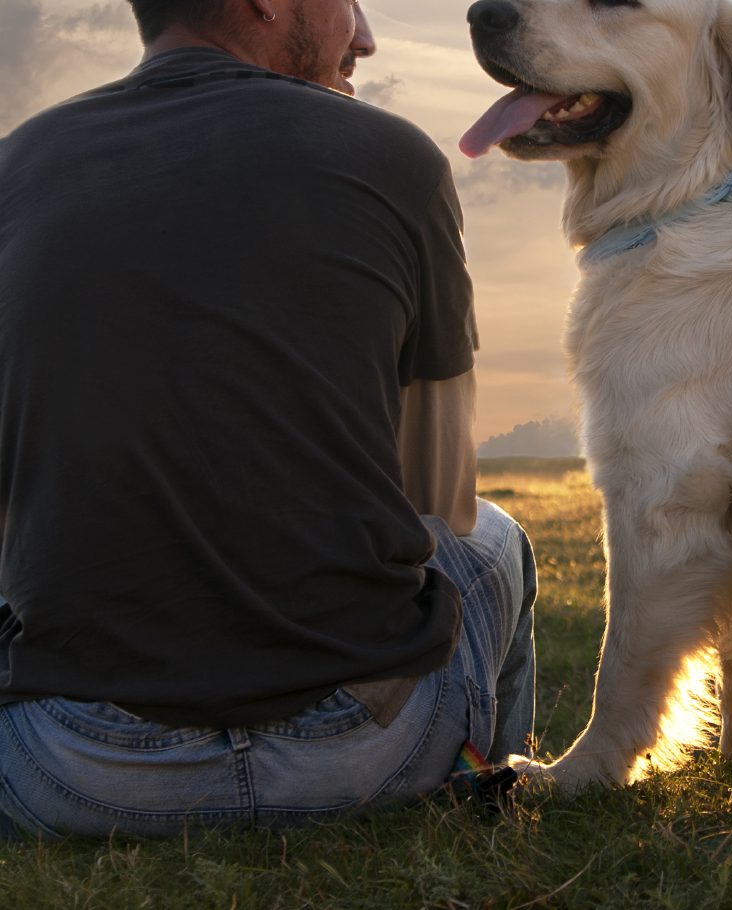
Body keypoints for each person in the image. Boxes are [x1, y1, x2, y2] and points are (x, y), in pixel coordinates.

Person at [0, 0, 535, 838]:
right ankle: (485, 786)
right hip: (365, 754)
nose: (366, 36)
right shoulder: (396, 157)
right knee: (493, 538)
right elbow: (440, 495)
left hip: (75, 774)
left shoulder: (14, 169)